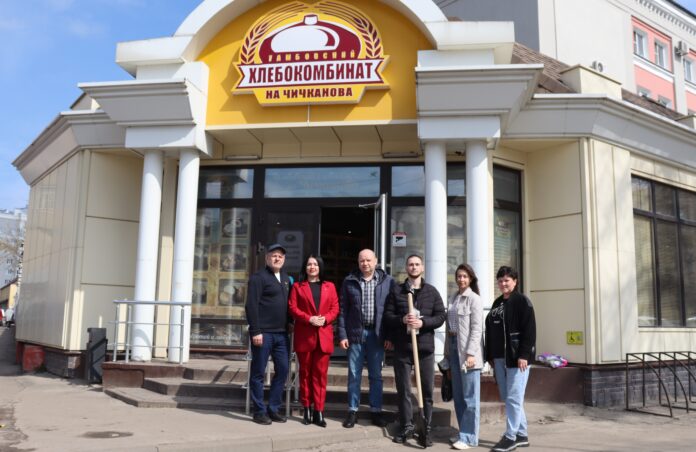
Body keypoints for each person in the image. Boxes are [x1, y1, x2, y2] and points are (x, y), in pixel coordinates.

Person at [384, 254, 446, 446]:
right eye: (410, 264)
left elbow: (441, 316)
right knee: (403, 389)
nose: (414, 267)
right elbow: (387, 316)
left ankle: (425, 426)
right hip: (403, 348)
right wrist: (402, 320)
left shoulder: (431, 292)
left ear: (422, 268)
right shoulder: (397, 291)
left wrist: (423, 322)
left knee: (426, 390)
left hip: (425, 349)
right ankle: (407, 426)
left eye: (417, 264)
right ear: (406, 268)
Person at [337, 249, 394, 428]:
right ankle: (352, 411)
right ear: (358, 262)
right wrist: (342, 335)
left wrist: (389, 335)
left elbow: (391, 310)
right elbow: (343, 310)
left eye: (369, 260)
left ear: (376, 261)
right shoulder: (349, 281)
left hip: (377, 335)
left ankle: (376, 411)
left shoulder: (387, 281)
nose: (365, 263)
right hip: (356, 334)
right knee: (354, 374)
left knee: (376, 375)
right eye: (362, 260)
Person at [485, 266, 536, 452]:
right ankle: (522, 434)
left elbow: (530, 331)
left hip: (517, 359)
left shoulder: (522, 302)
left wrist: (524, 355)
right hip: (499, 359)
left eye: (506, 280)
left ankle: (510, 437)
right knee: (509, 398)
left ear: (515, 281)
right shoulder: (497, 303)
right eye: (500, 281)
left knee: (514, 398)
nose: (503, 283)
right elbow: (490, 329)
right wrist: (490, 355)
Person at [288, 254, 339, 428]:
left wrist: (325, 319)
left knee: (320, 376)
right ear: (305, 267)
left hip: (323, 337)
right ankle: (307, 409)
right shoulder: (297, 287)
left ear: (320, 267)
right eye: (309, 264)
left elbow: (335, 308)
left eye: (315, 264)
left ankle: (319, 411)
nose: (312, 267)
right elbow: (292, 308)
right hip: (305, 336)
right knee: (305, 374)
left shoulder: (329, 286)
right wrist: (309, 318)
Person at [245, 243, 292, 425]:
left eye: (280, 256)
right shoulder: (258, 278)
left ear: (284, 259)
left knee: (283, 370)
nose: (277, 258)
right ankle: (259, 411)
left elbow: (287, 305)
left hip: (282, 335)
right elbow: (251, 306)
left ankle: (273, 408)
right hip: (263, 334)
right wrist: (255, 331)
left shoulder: (286, 279)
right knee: (258, 372)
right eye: (273, 255)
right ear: (267, 258)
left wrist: (291, 323)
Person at [447, 264, 483, 450]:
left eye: (465, 276)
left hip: (468, 352)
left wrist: (471, 353)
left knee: (470, 398)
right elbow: (450, 329)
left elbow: (477, 329)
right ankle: (463, 432)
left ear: (471, 279)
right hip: (454, 348)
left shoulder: (474, 299)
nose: (461, 279)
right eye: (459, 276)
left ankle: (469, 437)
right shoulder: (453, 297)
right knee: (459, 396)